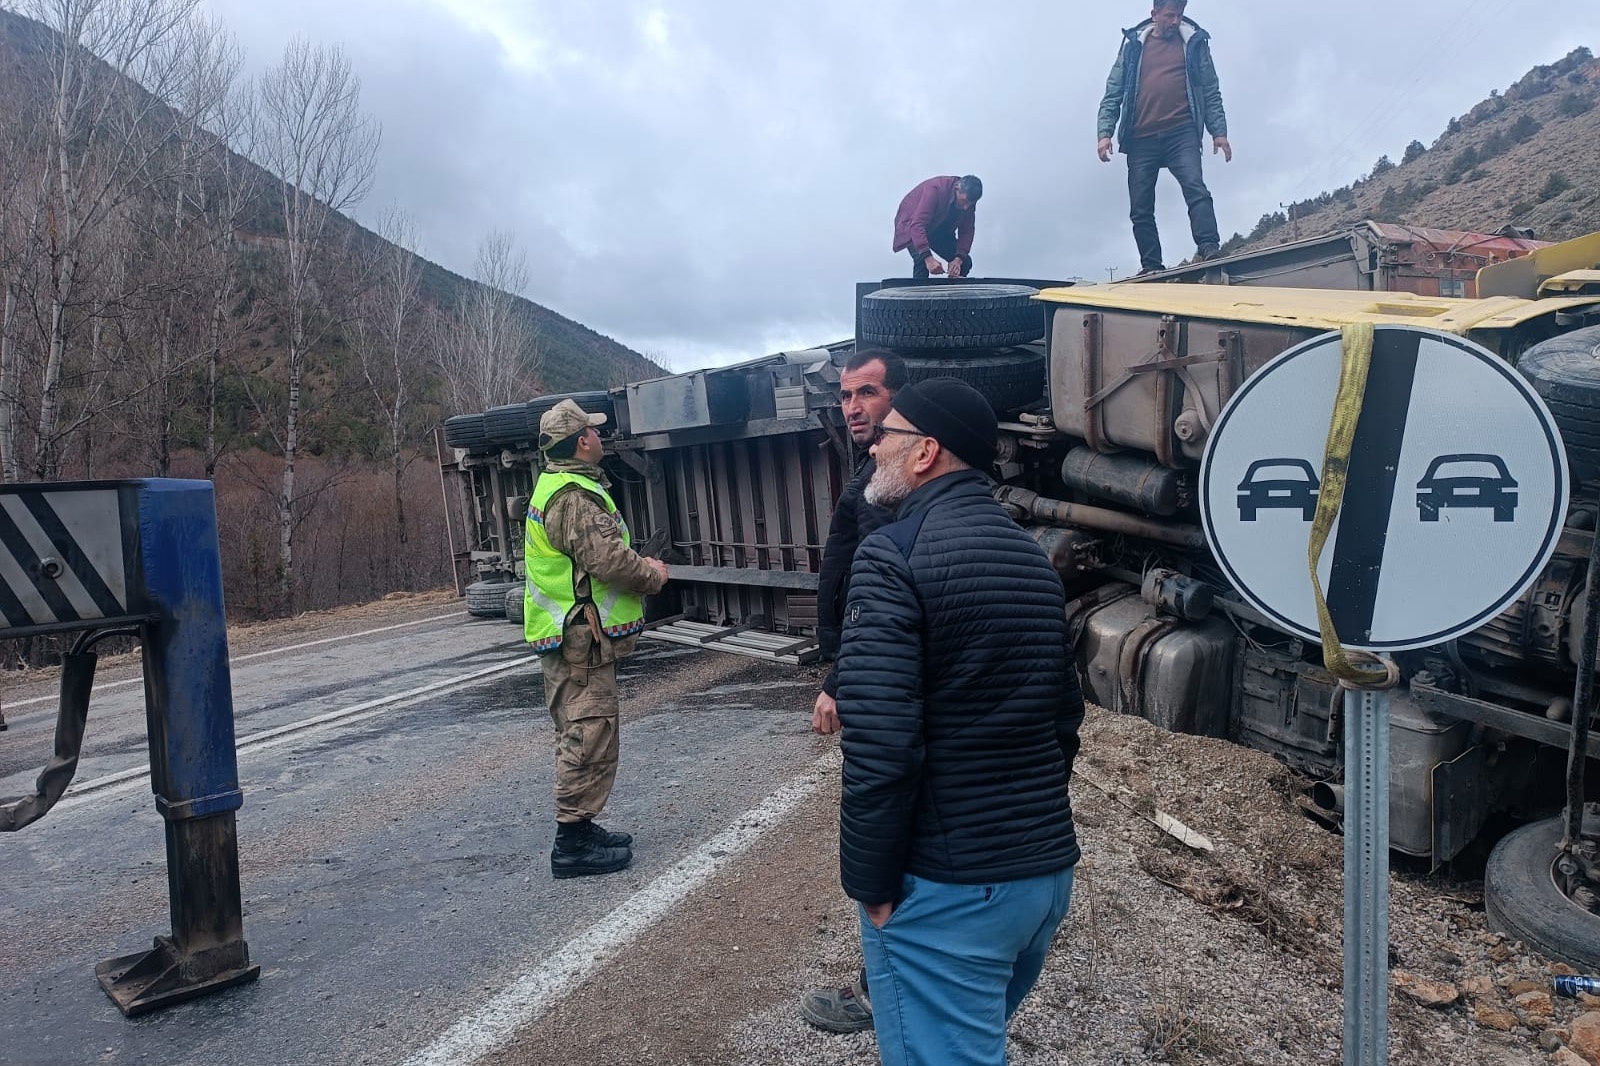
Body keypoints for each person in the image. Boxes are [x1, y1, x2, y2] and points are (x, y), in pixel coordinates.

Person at [836, 378, 1084, 1066]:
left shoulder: (893, 557)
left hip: (950, 893)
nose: (874, 449)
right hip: (1041, 881)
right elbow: (1064, 718)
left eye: (887, 435)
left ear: (926, 453)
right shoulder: (1034, 562)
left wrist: (872, 888)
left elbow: (882, 745)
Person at [799, 348, 905, 1034]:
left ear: (895, 397)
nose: (854, 406)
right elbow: (843, 580)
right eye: (846, 396)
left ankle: (882, 992)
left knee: (889, 835)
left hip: (884, 692)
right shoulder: (868, 474)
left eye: (867, 392)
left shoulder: (896, 489)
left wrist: (843, 679)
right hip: (863, 675)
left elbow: (885, 607)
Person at [524, 398, 669, 879]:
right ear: (582, 441)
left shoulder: (558, 487)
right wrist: (651, 573)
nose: (600, 436)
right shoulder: (574, 498)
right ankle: (571, 844)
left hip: (571, 640)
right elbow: (609, 562)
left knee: (585, 729)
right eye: (594, 431)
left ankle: (582, 828)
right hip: (578, 643)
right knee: (587, 733)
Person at [1096, 0, 1231, 276]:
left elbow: (1210, 90)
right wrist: (1104, 133)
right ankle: (1151, 265)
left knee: (1195, 187)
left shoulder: (1194, 42)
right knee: (1141, 206)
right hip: (1141, 136)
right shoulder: (1133, 45)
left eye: (1178, 16)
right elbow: (1113, 91)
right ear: (1154, 14)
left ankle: (1209, 246)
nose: (1174, 21)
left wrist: (1219, 132)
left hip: (1181, 130)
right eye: (1169, 15)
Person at [892, 175, 982, 279]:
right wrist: (928, 258)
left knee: (964, 263)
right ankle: (919, 293)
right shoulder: (935, 189)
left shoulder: (969, 204)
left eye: (971, 204)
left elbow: (967, 232)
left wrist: (958, 260)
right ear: (957, 189)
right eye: (964, 201)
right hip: (912, 224)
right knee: (922, 262)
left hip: (938, 229)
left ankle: (953, 291)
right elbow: (918, 225)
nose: (966, 207)